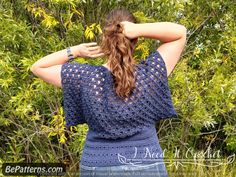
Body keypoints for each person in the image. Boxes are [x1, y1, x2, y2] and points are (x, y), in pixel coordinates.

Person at [30, 7, 186, 177]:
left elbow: (38, 67)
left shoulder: (86, 77)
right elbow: (179, 33)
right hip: (146, 163)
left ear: (104, 38)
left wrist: (75, 51)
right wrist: (137, 29)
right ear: (136, 40)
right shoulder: (150, 73)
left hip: (98, 166)